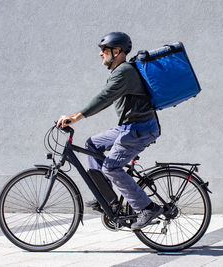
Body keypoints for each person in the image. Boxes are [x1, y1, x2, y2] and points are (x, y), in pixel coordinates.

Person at [56, 32, 163, 230]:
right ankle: (107, 199)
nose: (100, 54)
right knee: (92, 144)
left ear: (117, 51)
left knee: (111, 167)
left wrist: (75, 116)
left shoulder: (124, 72)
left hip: (140, 128)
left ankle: (147, 208)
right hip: (128, 127)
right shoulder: (120, 72)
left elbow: (104, 98)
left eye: (104, 50)